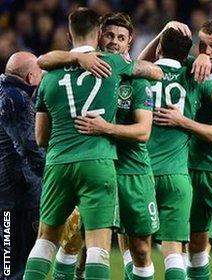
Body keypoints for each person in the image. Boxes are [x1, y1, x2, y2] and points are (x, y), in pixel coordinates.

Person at [23, 7, 163, 280]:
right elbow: (154, 72)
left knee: (45, 241)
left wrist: (75, 60)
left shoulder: (49, 76)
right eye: (108, 34)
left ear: (68, 34)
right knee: (98, 247)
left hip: (58, 163)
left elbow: (41, 137)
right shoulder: (115, 66)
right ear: (99, 35)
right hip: (99, 162)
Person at [139, 19, 212, 280]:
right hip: (189, 167)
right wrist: (164, 32)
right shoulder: (189, 67)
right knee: (195, 245)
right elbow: (146, 64)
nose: (208, 50)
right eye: (203, 45)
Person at [0, 51, 44, 280]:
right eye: (40, 73)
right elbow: (29, 146)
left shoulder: (3, 90)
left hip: (7, 196)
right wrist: (53, 174)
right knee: (15, 267)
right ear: (29, 78)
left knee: (7, 263)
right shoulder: (15, 99)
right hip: (15, 199)